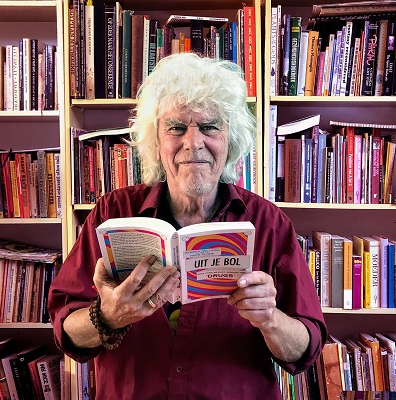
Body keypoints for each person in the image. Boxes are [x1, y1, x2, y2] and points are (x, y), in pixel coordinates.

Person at [48, 52, 327, 400]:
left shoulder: (269, 222)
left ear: (230, 139)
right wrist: (107, 315)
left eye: (209, 127)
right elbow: (65, 331)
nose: (193, 142)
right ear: (156, 142)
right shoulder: (112, 213)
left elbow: (306, 349)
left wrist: (270, 318)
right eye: (176, 128)